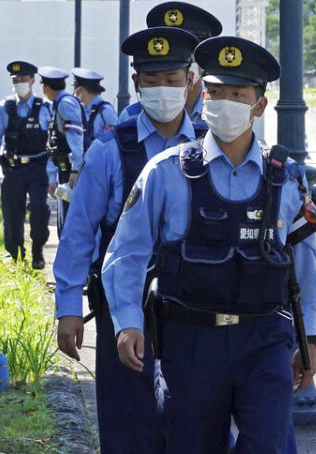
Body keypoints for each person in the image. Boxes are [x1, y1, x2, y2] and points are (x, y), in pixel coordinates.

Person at [103, 35, 316, 454]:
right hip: (191, 339)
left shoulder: (288, 178)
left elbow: (304, 263)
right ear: (202, 94)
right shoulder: (166, 173)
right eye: (215, 92)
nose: (224, 103)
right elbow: (127, 250)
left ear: (259, 105)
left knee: (270, 446)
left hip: (265, 338)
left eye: (237, 94)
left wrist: (308, 335)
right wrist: (128, 320)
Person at [54, 27, 200, 454]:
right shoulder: (109, 151)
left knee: (195, 427)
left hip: (196, 310)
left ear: (190, 80)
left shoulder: (210, 146)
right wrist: (68, 309)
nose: (162, 91)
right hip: (123, 309)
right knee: (126, 425)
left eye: (172, 81)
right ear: (135, 83)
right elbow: (79, 234)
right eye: (151, 81)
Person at [0, 61, 55, 267]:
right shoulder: (5, 108)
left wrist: (52, 175)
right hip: (13, 168)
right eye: (15, 80)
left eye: (23, 79)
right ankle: (15, 253)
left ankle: (37, 252)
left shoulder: (45, 108)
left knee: (39, 209)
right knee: (12, 213)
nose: (19, 83)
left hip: (37, 168)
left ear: (32, 81)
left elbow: (53, 142)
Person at [118, 2, 223, 128]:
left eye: (188, 52)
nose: (177, 61)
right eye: (170, 54)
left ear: (205, 59)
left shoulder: (221, 117)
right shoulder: (131, 118)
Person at [40, 66, 85, 236]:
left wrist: (75, 168)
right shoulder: (59, 104)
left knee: (69, 223)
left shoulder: (65, 104)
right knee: (63, 222)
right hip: (63, 171)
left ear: (45, 87)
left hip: (70, 173)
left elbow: (75, 137)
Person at [72, 68, 117, 152]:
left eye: (74, 87)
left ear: (80, 90)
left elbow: (114, 141)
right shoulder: (81, 110)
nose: (74, 93)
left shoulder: (106, 111)